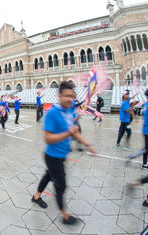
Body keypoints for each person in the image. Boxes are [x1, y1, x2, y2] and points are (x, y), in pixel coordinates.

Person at [31, 81, 96, 225]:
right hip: (52, 156)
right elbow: (47, 138)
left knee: (48, 175)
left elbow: (74, 131)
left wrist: (87, 145)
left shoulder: (68, 111)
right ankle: (64, 215)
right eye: (67, 96)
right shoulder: (52, 113)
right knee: (61, 185)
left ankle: (36, 197)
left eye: (72, 96)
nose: (70, 99)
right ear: (60, 96)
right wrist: (68, 133)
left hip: (61, 155)